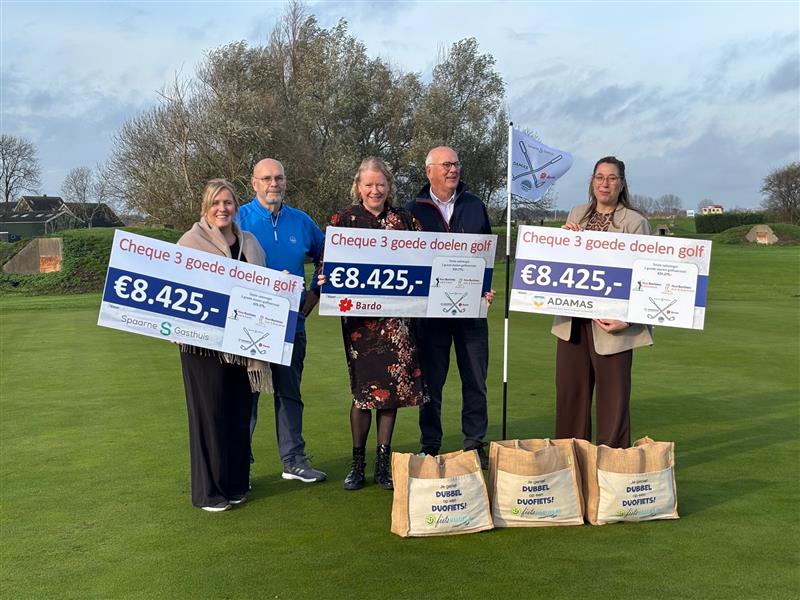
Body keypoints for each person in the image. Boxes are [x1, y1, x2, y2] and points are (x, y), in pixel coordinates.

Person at [319, 157, 429, 490]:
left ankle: (383, 463)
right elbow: (328, 262)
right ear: (359, 186)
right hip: (360, 322)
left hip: (397, 322)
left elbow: (427, 262)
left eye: (380, 184)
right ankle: (357, 463)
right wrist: (324, 277)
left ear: (389, 185)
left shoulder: (406, 220)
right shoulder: (344, 219)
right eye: (368, 184)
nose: (374, 190)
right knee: (363, 394)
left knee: (390, 394)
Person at [177, 179, 270, 512]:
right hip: (203, 348)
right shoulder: (190, 242)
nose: (222, 208)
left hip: (245, 347)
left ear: (236, 207)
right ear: (206, 207)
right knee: (210, 415)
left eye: (228, 202)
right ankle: (210, 492)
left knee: (238, 413)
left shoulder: (251, 244)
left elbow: (266, 290)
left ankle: (234, 483)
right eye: (216, 203)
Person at [552, 156, 653, 448]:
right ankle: (570, 467)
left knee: (613, 405)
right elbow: (562, 265)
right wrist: (562, 243)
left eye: (611, 178)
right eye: (599, 177)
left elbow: (647, 279)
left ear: (622, 184)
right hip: (572, 324)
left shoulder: (635, 223)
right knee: (570, 398)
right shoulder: (577, 213)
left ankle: (611, 473)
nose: (604, 183)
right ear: (592, 182)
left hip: (613, 326)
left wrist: (629, 319)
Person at [237, 158, 327, 483]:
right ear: (254, 183)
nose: (273, 183)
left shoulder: (301, 221)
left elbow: (327, 255)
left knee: (289, 393)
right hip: (248, 324)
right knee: (245, 396)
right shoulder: (238, 218)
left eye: (279, 178)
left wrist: (315, 293)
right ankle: (239, 465)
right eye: (266, 178)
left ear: (285, 181)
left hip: (292, 324)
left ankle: (294, 460)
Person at [405, 146, 495, 469]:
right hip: (430, 313)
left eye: (456, 163)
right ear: (429, 171)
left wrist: (486, 287)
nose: (452, 170)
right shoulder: (413, 208)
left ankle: (474, 443)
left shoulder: (473, 205)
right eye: (446, 165)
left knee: (475, 378)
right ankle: (430, 446)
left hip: (471, 310)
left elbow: (486, 252)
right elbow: (407, 257)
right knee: (431, 381)